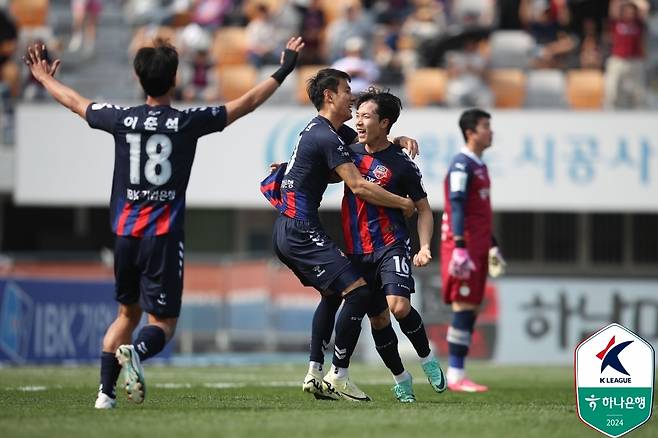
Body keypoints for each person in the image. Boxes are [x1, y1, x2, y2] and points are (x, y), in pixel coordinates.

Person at [23, 36, 305, 409]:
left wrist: (43, 79)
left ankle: (104, 396)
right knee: (163, 323)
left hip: (125, 234)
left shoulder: (122, 119)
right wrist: (284, 68)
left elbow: (77, 104)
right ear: (175, 78)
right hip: (163, 236)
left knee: (126, 313)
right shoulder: (187, 121)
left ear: (139, 80)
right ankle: (136, 353)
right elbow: (246, 103)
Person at [260, 68, 417, 402]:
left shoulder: (326, 131)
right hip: (300, 229)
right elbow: (358, 185)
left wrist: (398, 141)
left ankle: (315, 373)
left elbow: (366, 144)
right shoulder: (326, 136)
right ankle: (339, 376)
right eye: (348, 90)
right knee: (358, 293)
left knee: (333, 295)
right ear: (330, 96)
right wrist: (403, 202)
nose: (353, 98)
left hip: (288, 229)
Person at [341, 88, 447, 402]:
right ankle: (401, 378)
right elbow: (317, 165)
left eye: (366, 116)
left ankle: (427, 358)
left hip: (391, 245)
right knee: (378, 319)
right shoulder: (347, 152)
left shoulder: (402, 164)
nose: (358, 121)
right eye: (357, 115)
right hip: (357, 250)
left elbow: (424, 209)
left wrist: (424, 246)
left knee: (398, 307)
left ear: (384, 122)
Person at [440, 109, 506, 393]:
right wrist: (460, 247)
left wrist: (492, 245)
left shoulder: (480, 165)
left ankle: (458, 372)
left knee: (471, 307)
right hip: (463, 246)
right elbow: (455, 204)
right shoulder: (461, 164)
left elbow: (480, 212)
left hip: (477, 246)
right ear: (471, 132)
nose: (490, 132)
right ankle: (455, 375)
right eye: (485, 127)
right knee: (464, 307)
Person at [604, 0, 647, 108]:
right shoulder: (616, 23)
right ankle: (608, 113)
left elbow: (644, 7)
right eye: (627, 11)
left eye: (632, 11)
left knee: (639, 91)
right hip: (618, 59)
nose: (630, 14)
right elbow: (613, 8)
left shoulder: (639, 24)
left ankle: (640, 115)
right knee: (611, 89)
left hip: (635, 60)